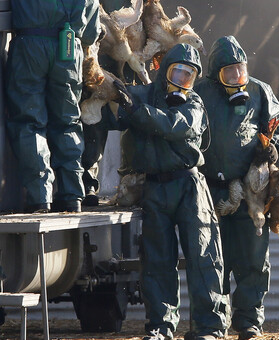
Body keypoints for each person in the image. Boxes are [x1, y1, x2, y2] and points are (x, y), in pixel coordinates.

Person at [113, 43, 227, 340]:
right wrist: (111, 90)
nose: (182, 81)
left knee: (203, 256)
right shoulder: (143, 94)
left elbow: (174, 125)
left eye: (189, 76)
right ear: (164, 71)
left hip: (189, 185)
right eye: (177, 72)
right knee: (157, 260)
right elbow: (114, 104)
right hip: (154, 186)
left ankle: (210, 328)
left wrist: (136, 109)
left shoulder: (194, 104)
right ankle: (160, 327)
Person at [194, 36, 279, 340]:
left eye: (240, 70)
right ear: (215, 73)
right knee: (211, 261)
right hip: (208, 190)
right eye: (228, 72)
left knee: (252, 259)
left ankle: (249, 323)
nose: (236, 78)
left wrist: (273, 147)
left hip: (251, 192)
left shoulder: (259, 90)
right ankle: (212, 326)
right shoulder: (199, 92)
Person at [5, 0, 102, 213]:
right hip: (68, 48)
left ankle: (40, 197)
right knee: (67, 122)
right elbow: (91, 34)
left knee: (29, 121)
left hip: (30, 44)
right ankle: (72, 196)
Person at [82, 0, 137, 207]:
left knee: (133, 125)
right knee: (92, 123)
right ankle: (88, 184)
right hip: (96, 62)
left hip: (127, 67)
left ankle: (132, 186)